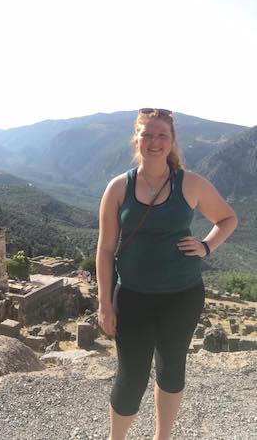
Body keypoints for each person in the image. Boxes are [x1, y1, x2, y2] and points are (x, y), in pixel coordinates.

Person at [96, 108, 238, 440]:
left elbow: (228, 219)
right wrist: (104, 303)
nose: (154, 142)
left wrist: (206, 246)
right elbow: (104, 250)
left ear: (172, 141)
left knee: (172, 369)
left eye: (162, 135)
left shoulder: (190, 183)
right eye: (147, 134)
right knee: (131, 378)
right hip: (132, 296)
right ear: (137, 139)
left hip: (183, 294)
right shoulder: (118, 188)